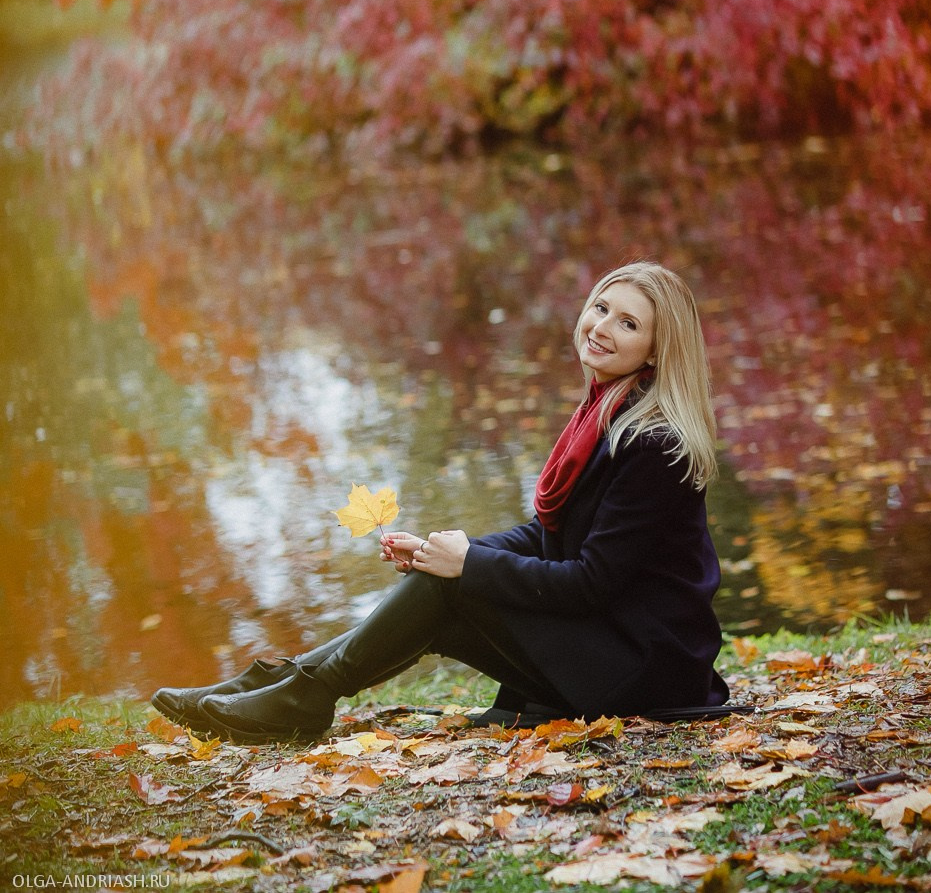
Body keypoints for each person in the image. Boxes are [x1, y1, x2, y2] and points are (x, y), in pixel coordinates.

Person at [151, 261, 730, 742]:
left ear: (655, 351)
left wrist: (467, 566)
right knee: (445, 583)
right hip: (611, 640)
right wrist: (446, 552)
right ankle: (278, 686)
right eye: (601, 307)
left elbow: (590, 582)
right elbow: (550, 534)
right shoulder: (605, 413)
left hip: (647, 667)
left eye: (628, 323)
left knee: (451, 585)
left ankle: (300, 696)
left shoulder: (654, 444)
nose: (602, 326)